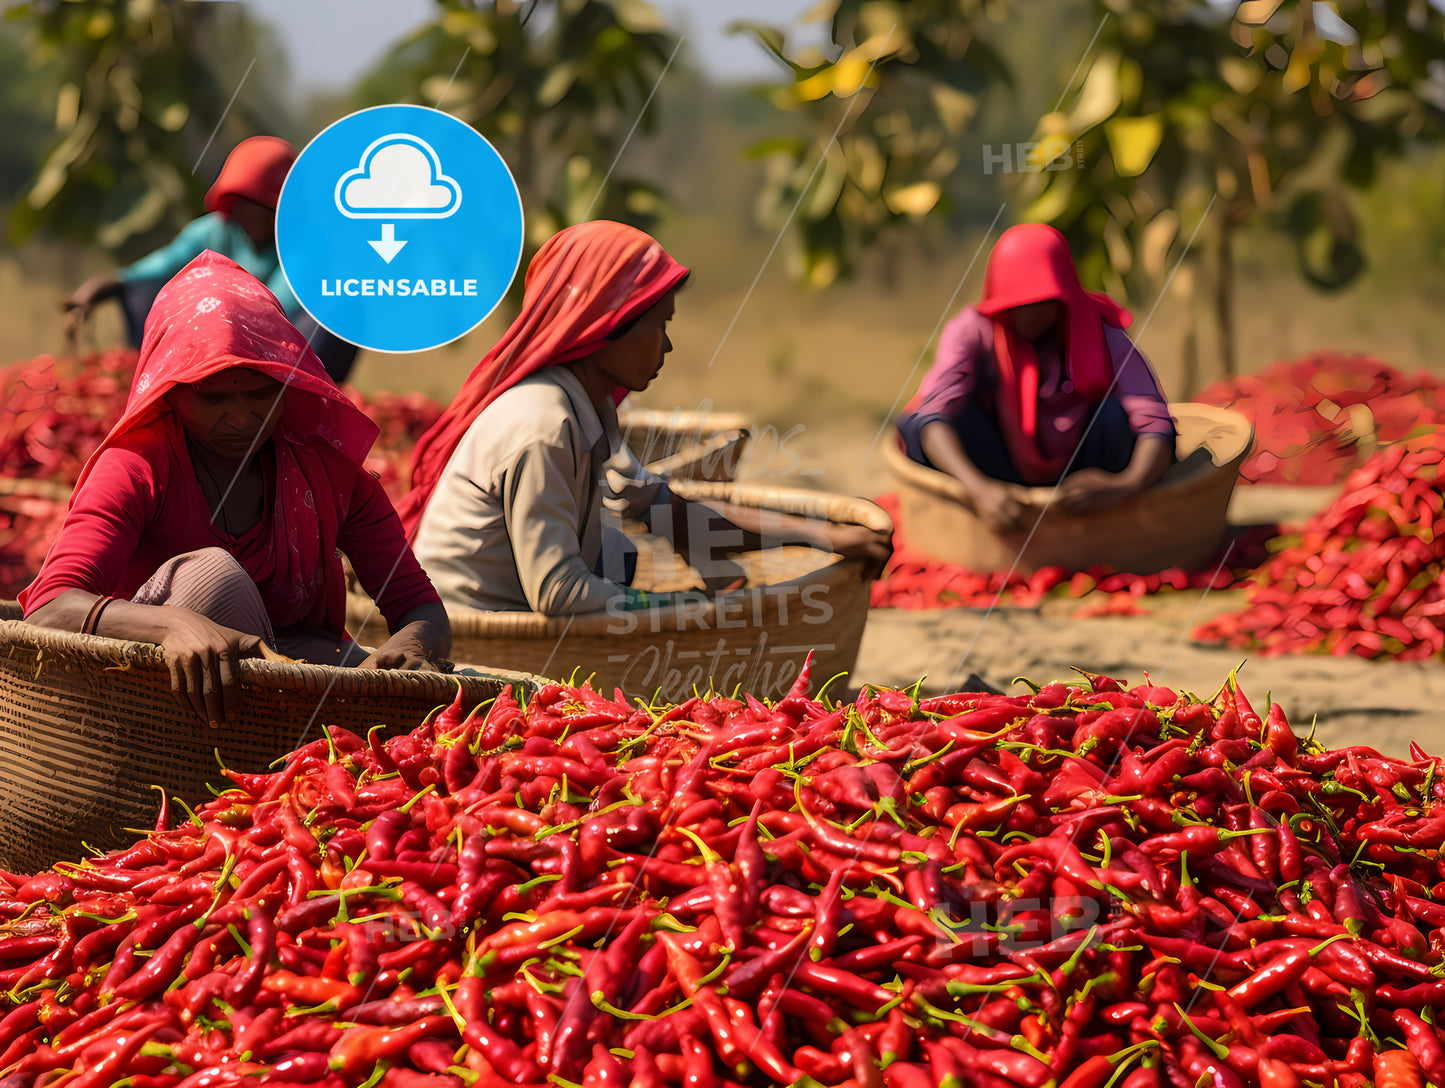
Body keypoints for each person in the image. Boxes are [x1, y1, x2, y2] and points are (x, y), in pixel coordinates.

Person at [21, 250, 449, 725]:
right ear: (170, 388)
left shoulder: (329, 472)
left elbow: (417, 602)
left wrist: (409, 647)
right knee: (214, 579)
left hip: (299, 681)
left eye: (262, 392)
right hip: (156, 700)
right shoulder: (137, 467)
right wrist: (173, 625)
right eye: (214, 397)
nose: (243, 417)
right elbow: (49, 606)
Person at [399, 220, 892, 616]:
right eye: (660, 325)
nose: (669, 344)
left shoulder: (586, 405)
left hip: (526, 601)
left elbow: (669, 512)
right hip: (476, 628)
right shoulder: (543, 427)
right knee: (620, 562)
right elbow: (559, 592)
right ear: (606, 327)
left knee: (621, 551)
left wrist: (822, 536)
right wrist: (684, 606)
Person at [896, 223, 1175, 532]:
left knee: (1117, 415)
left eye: (1044, 301)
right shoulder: (973, 330)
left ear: (1064, 293)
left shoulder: (1100, 331)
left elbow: (1155, 422)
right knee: (922, 424)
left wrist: (1126, 484)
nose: (1030, 314)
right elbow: (933, 416)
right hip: (996, 470)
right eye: (1018, 304)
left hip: (1087, 476)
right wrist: (979, 489)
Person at [62, 135, 360, 384]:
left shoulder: (306, 246)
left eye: (261, 205)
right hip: (206, 348)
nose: (250, 213)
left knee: (340, 309)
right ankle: (160, 378)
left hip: (279, 356)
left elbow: (273, 308)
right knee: (142, 294)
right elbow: (156, 269)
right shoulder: (215, 231)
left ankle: (306, 395)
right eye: (243, 201)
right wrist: (97, 289)